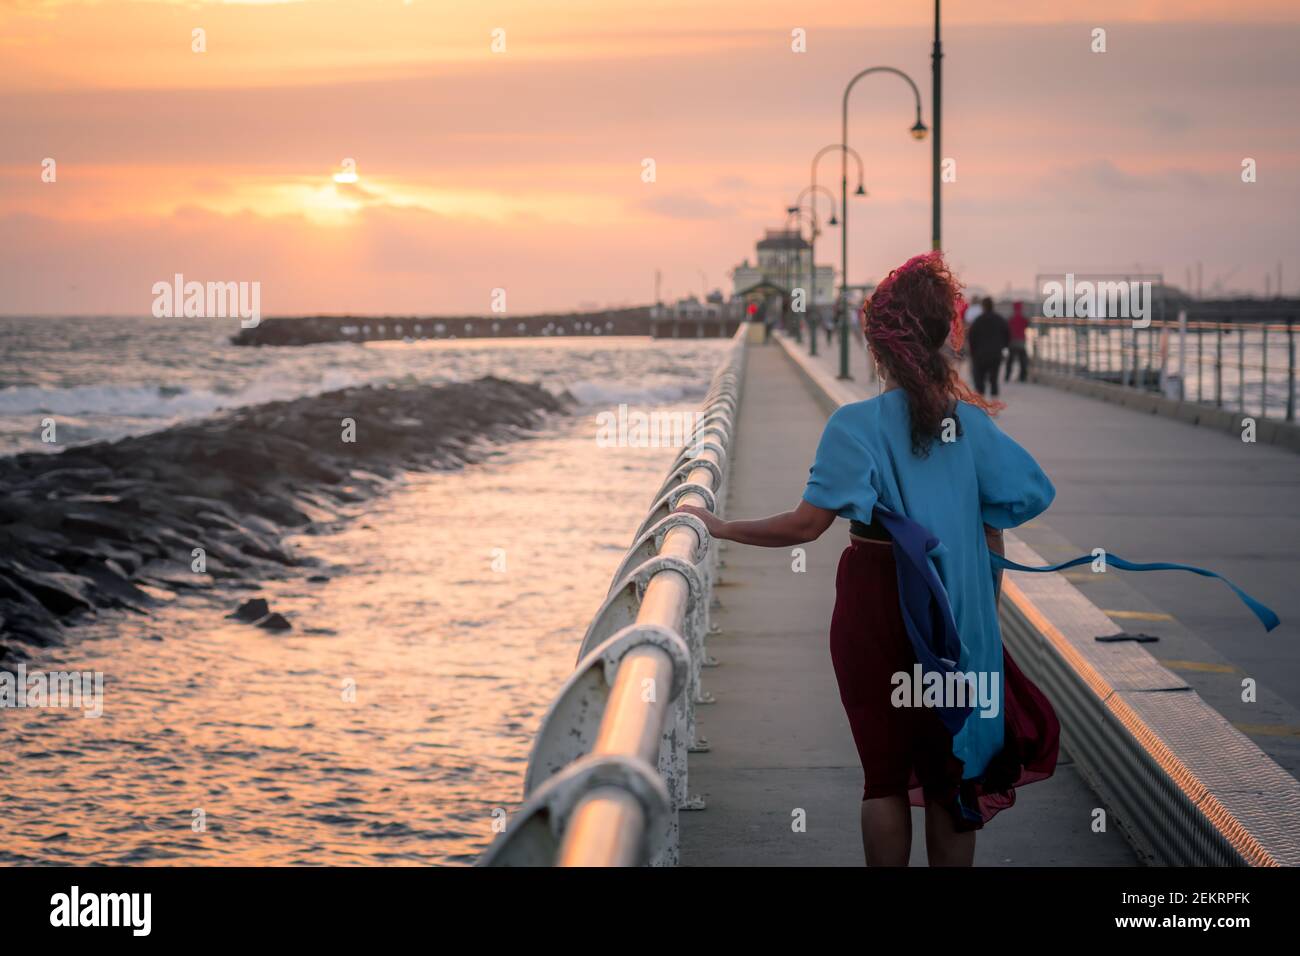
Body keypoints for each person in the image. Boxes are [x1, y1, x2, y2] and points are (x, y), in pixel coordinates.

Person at [677, 252, 1060, 866]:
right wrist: (979, 619)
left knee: (883, 777)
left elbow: (805, 527)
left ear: (878, 345)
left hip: (876, 605)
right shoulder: (973, 427)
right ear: (943, 338)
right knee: (949, 778)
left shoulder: (853, 426)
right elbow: (1000, 523)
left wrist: (721, 527)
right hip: (952, 618)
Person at [967, 296, 1008, 397]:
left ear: (983, 307)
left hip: (980, 355)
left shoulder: (978, 320)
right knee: (994, 379)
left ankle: (981, 402)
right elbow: (1007, 335)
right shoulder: (1000, 319)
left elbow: (971, 337)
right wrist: (1003, 347)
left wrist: (972, 352)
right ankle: (995, 403)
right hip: (995, 354)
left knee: (979, 380)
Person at [1005, 301, 1029, 383]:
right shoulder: (1023, 318)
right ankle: (1023, 377)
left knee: (1010, 360)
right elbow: (1027, 324)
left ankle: (1007, 376)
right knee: (1023, 361)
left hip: (1012, 341)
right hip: (1021, 341)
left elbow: (1007, 328)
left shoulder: (1011, 318)